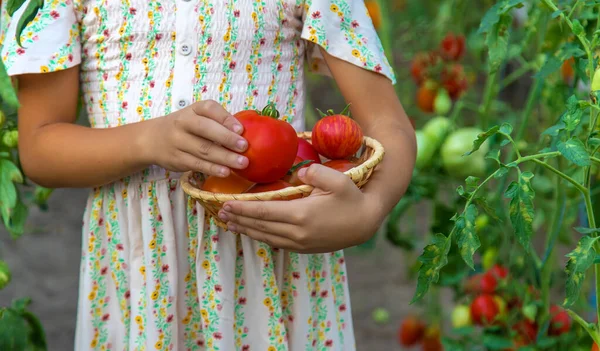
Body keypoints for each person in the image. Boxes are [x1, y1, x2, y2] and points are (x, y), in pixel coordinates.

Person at [2, 0, 415, 350]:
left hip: (273, 257)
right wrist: (147, 140)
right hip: (141, 275)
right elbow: (39, 149)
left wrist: (368, 212)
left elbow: (388, 123)